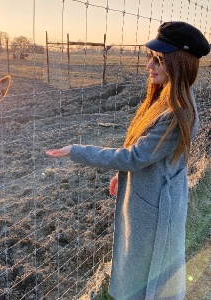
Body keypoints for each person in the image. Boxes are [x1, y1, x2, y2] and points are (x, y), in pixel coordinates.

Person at [46, 21, 210, 300]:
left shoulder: (177, 112)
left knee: (150, 278)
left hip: (157, 210)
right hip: (150, 200)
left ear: (180, 62)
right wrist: (122, 177)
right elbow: (148, 158)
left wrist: (77, 150)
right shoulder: (166, 100)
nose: (150, 65)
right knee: (140, 274)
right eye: (149, 57)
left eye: (159, 59)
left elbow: (135, 156)